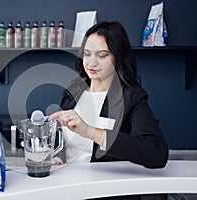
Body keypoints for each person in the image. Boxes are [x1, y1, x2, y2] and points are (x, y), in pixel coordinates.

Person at [49, 21, 169, 169]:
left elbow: (157, 153)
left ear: (118, 57)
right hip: (69, 184)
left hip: (104, 188)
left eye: (102, 55)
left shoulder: (131, 98)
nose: (92, 63)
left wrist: (90, 131)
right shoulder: (73, 92)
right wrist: (57, 156)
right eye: (87, 54)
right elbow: (67, 144)